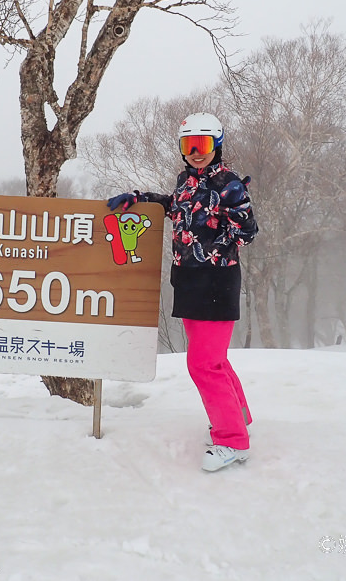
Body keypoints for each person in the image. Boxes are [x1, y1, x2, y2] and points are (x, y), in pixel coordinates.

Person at [107, 113, 258, 472]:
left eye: (202, 144)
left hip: (216, 280)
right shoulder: (185, 181)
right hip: (188, 280)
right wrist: (142, 199)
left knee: (203, 364)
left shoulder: (229, 184)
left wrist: (213, 247)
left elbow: (248, 230)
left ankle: (232, 441)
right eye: (189, 145)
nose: (196, 152)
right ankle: (238, 418)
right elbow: (176, 207)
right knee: (214, 360)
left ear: (217, 145)